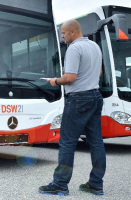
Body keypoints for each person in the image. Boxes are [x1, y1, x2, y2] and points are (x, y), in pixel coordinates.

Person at [39, 19, 105, 196]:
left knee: (67, 142)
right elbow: (98, 72)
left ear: (73, 32)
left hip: (78, 99)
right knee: (96, 142)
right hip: (95, 96)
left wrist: (54, 81)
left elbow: (70, 78)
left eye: (63, 33)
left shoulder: (74, 48)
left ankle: (60, 184)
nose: (62, 36)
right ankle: (96, 184)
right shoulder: (95, 47)